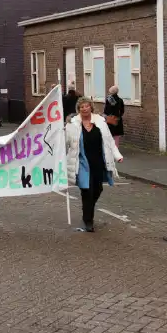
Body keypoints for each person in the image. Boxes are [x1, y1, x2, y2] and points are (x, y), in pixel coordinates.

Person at [65, 97, 123, 233]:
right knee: (86, 191)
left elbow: (109, 141)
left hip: (98, 162)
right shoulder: (72, 125)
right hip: (82, 163)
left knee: (97, 189)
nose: (84, 109)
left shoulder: (100, 122)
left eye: (87, 106)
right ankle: (88, 220)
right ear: (78, 110)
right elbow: (65, 143)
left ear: (91, 107)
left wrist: (118, 156)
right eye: (81, 107)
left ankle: (88, 209)